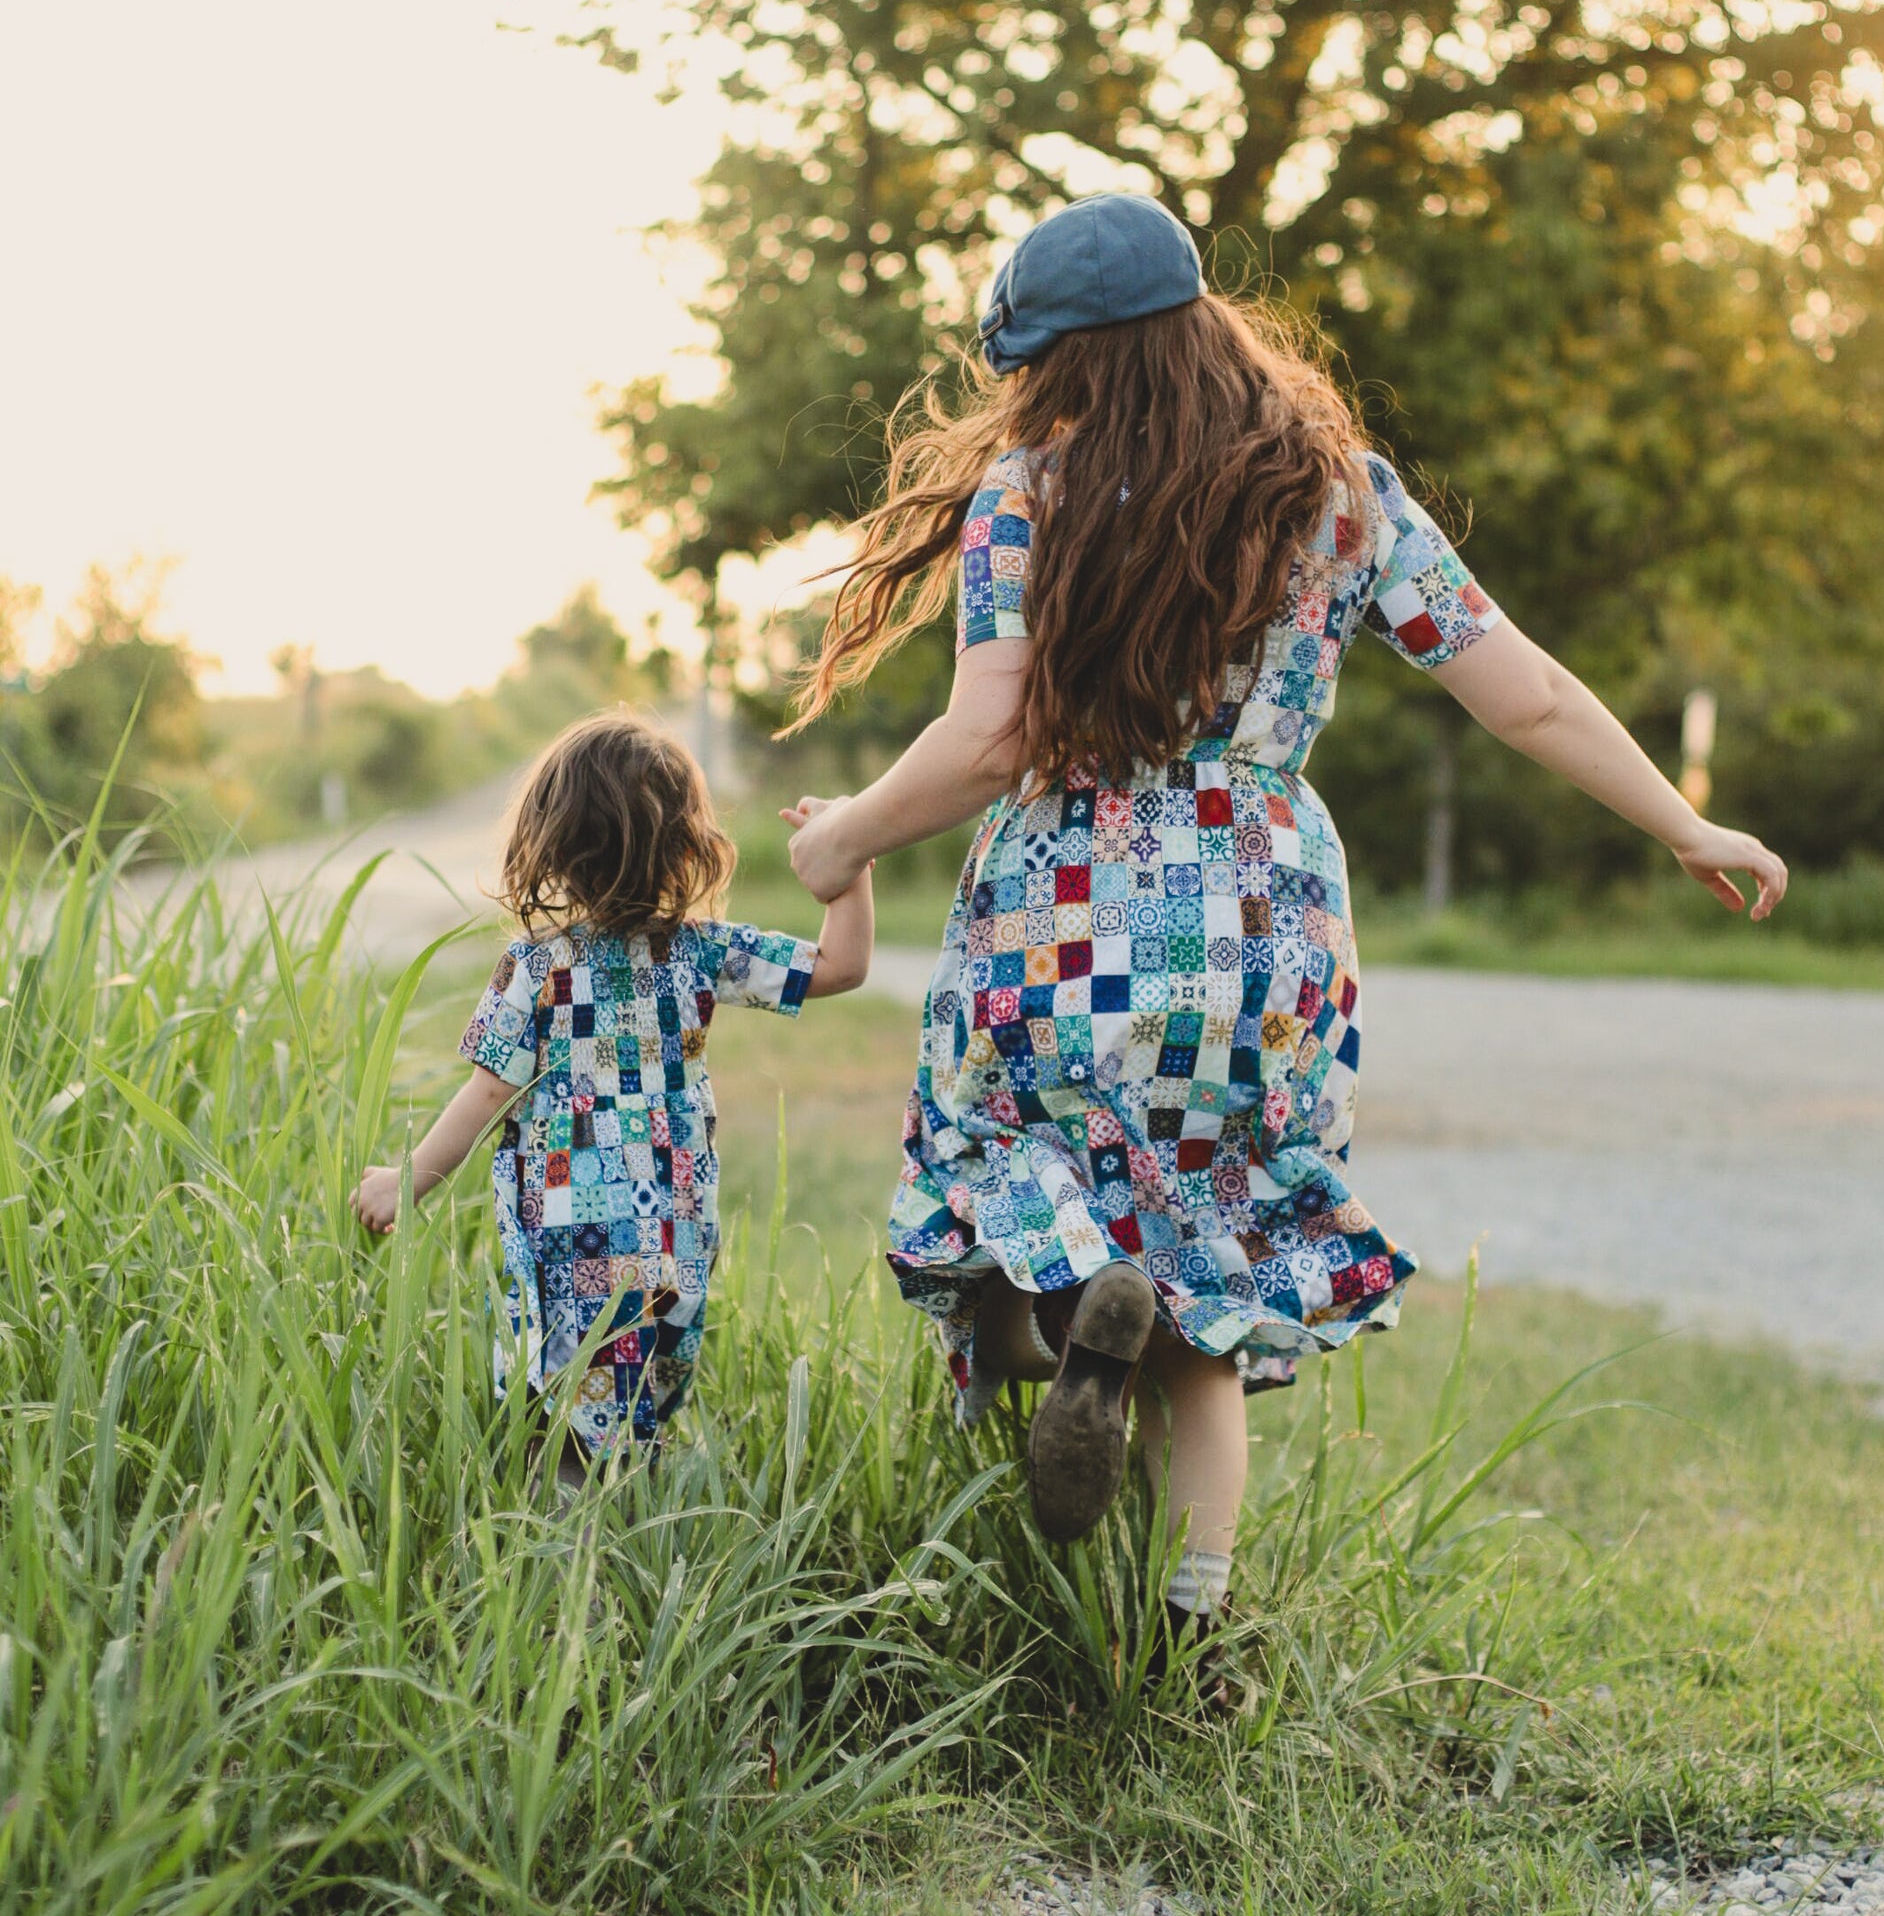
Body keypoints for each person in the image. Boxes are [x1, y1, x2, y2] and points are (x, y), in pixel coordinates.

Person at [783, 193, 1786, 1642]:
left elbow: (989, 738)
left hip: (1069, 911)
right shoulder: (1343, 491)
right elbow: (1526, 696)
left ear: (1056, 361)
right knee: (1216, 1249)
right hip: (1265, 927)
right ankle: (1190, 1623)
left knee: (1001, 1182)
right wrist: (1683, 822)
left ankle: (1069, 1337)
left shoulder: (1030, 490)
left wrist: (849, 839)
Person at [354, 710, 874, 1473]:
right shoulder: (699, 950)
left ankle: (569, 1559)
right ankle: (616, 1539)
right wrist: (850, 863)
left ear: (554, 840)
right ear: (685, 844)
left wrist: (406, 1181)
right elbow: (842, 964)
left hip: (573, 1235)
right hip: (673, 1233)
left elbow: (485, 1095)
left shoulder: (538, 967)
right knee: (635, 1412)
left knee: (563, 1416)